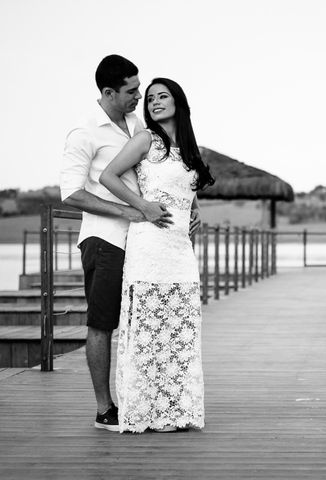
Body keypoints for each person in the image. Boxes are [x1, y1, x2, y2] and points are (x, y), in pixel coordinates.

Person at [60, 55, 175, 432]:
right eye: (131, 91)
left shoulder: (134, 123)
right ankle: (103, 408)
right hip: (104, 240)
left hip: (142, 242)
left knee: (138, 322)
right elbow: (72, 194)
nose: (138, 96)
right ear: (108, 92)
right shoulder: (83, 133)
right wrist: (128, 210)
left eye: (139, 88)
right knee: (101, 323)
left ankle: (139, 399)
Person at [100, 77, 215, 433]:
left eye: (163, 96)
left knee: (179, 327)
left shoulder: (191, 150)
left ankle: (176, 409)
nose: (154, 102)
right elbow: (108, 176)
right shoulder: (146, 139)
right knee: (148, 327)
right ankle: (143, 411)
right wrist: (143, 206)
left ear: (178, 102)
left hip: (180, 248)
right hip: (149, 243)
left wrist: (195, 209)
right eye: (150, 98)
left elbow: (185, 186)